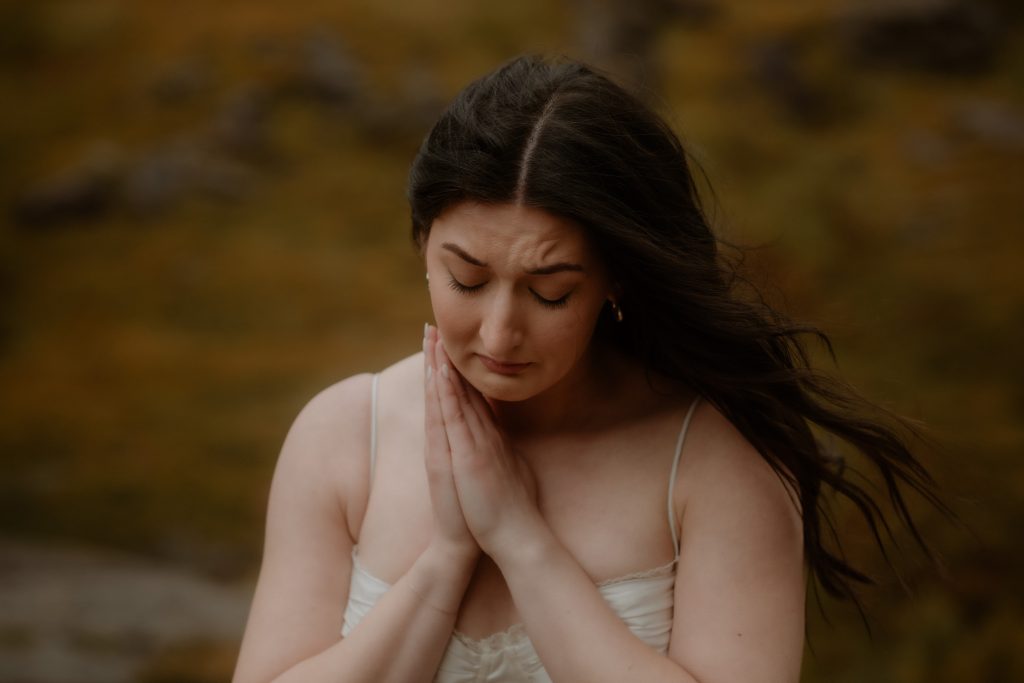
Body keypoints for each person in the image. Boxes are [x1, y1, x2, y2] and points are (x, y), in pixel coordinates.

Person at [232, 55, 942, 683]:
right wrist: (446, 560)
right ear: (424, 245)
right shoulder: (343, 435)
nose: (500, 330)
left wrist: (520, 539)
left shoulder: (716, 464)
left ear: (616, 280)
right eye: (467, 279)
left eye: (551, 292)